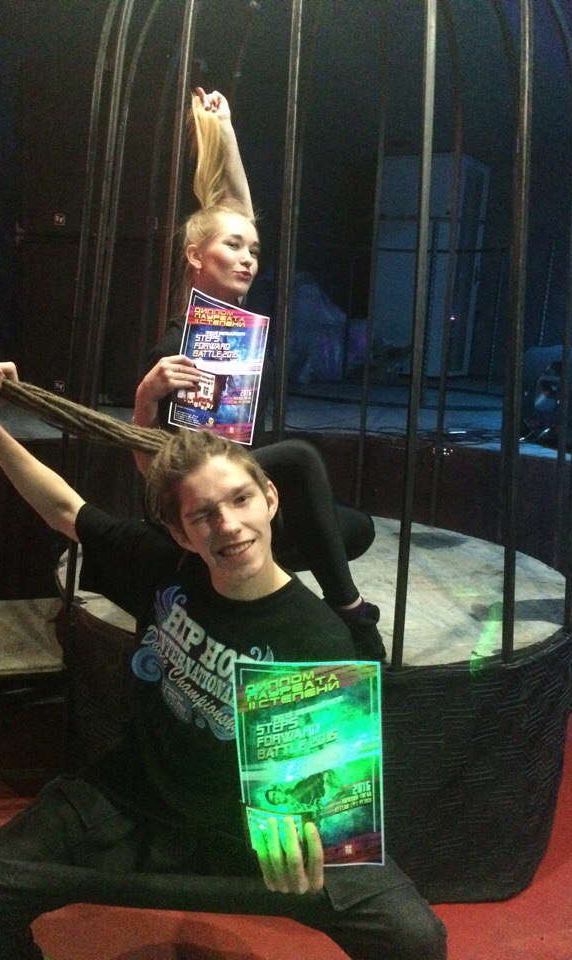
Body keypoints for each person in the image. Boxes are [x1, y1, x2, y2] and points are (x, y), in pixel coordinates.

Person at [0, 359, 447, 960]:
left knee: (413, 939)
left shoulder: (320, 639)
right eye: (203, 515)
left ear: (270, 498)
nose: (228, 526)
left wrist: (314, 840)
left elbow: (329, 795)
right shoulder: (165, 567)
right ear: (180, 533)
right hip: (135, 798)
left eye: (240, 499)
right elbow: (64, 509)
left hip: (256, 834)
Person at [133, 88, 385, 660]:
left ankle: (241, 565)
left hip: (240, 484)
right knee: (297, 459)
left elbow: (240, 214)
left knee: (356, 528)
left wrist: (225, 131)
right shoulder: (178, 342)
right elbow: (152, 474)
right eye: (233, 247)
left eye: (254, 250)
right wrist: (145, 399)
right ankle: (351, 613)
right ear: (196, 256)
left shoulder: (234, 325)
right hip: (195, 492)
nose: (248, 257)